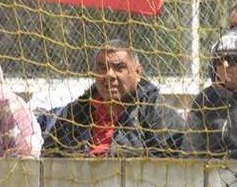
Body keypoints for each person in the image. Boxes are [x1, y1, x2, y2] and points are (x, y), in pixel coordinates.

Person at [45, 42, 182, 157]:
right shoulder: (77, 112)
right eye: (102, 68)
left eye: (119, 68)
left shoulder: (155, 111)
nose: (109, 75)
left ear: (138, 73)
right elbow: (49, 154)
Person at [183, 31, 237, 159]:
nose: (225, 65)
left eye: (233, 58)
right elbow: (190, 151)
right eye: (219, 60)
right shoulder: (205, 99)